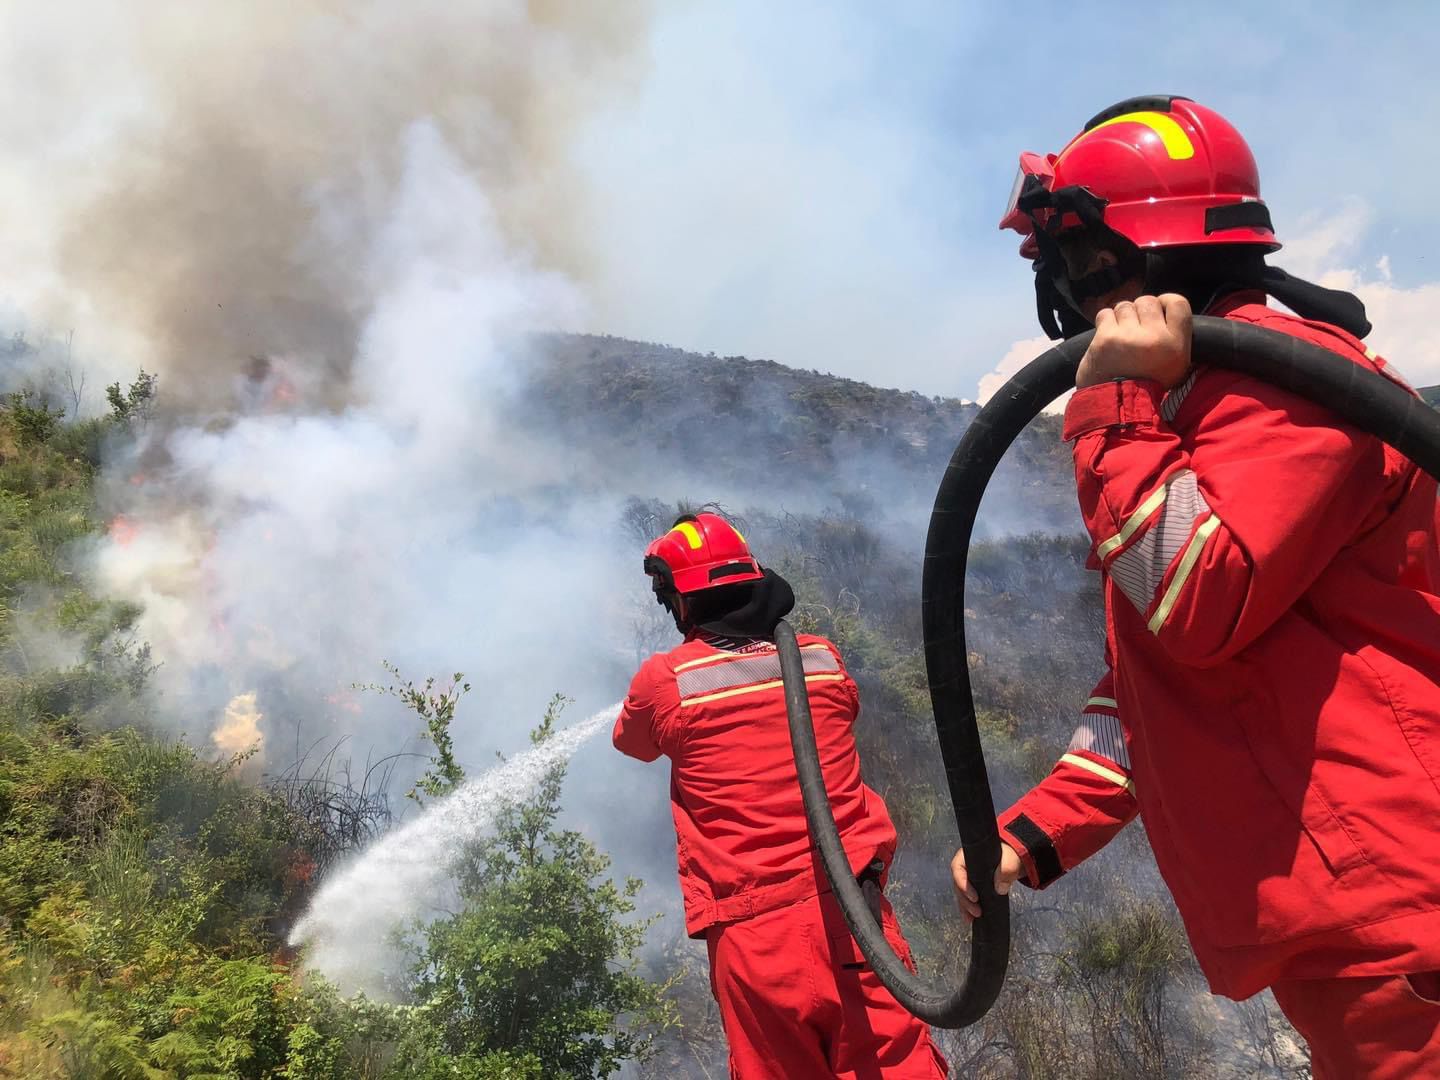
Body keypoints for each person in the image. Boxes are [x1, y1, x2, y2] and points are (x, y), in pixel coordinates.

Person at [953, 95, 1440, 1078]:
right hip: (1356, 917)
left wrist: (1111, 411)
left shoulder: (1287, 385)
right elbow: (1152, 683)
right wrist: (1036, 834)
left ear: (1137, 261)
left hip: (1400, 901)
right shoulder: (1201, 411)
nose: (1068, 297)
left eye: (1079, 265)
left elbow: (1196, 602)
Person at [614, 511, 948, 1079]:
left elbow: (634, 742)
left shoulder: (666, 681)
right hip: (857, 916)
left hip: (757, 939)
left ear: (684, 600)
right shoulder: (821, 659)